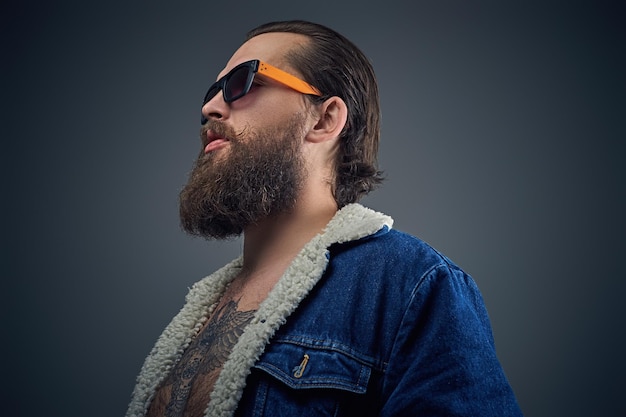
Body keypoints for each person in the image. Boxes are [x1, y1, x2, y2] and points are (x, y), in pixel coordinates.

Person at [126, 20, 523, 417]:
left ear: (325, 119)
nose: (209, 107)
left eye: (241, 82)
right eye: (212, 91)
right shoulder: (202, 313)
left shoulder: (412, 285)